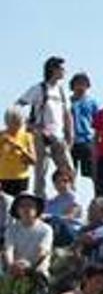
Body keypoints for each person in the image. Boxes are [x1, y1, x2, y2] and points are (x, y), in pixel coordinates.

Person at [16, 56, 74, 198]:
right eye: (61, 68)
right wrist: (32, 126)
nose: (64, 71)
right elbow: (18, 106)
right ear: (53, 69)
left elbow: (67, 114)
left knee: (68, 170)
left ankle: (70, 202)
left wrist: (70, 135)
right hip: (40, 137)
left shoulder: (62, 91)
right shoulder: (39, 88)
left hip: (58, 137)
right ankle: (39, 204)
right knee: (40, 173)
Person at [2, 193, 53, 294]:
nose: (26, 209)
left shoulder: (46, 229)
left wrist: (29, 266)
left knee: (39, 274)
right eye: (22, 206)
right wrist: (11, 265)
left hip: (36, 268)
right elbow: (8, 249)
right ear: (17, 210)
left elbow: (43, 252)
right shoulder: (12, 229)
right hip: (15, 268)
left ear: (37, 209)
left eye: (30, 205)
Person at [0, 107, 37, 196]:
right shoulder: (1, 135)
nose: (15, 127)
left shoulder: (27, 136)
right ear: (7, 122)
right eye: (12, 123)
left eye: (18, 123)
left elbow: (34, 160)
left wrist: (21, 149)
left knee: (19, 205)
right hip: (3, 177)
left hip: (21, 178)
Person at [69, 72, 99, 183]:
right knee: (69, 173)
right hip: (71, 141)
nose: (81, 86)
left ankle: (98, 197)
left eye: (83, 84)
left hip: (87, 140)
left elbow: (97, 122)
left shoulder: (92, 103)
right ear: (73, 86)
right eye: (78, 84)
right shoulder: (67, 102)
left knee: (93, 172)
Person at [45, 168, 82, 247]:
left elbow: (70, 216)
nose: (62, 184)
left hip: (71, 232)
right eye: (58, 182)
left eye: (65, 181)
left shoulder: (74, 198)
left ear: (71, 182)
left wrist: (50, 217)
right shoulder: (51, 202)